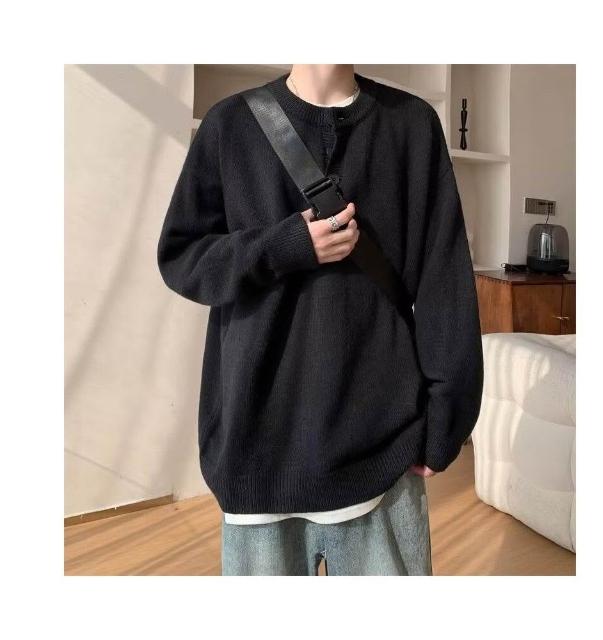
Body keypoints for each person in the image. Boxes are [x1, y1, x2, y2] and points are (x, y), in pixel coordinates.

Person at [156, 64, 484, 575]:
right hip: (258, 448)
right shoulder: (230, 125)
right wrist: (285, 246)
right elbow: (183, 259)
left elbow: (445, 282)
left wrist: (445, 422)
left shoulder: (411, 125)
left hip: (383, 450)